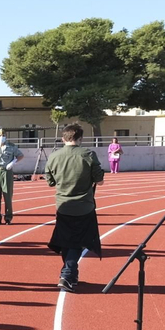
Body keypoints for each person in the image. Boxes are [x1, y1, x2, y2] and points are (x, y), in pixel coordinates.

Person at [44, 123, 105, 292]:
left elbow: (49, 181)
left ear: (64, 138)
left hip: (63, 205)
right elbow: (99, 180)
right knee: (78, 242)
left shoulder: (54, 156)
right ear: (80, 138)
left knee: (66, 240)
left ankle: (72, 274)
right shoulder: (88, 154)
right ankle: (67, 274)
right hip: (84, 205)